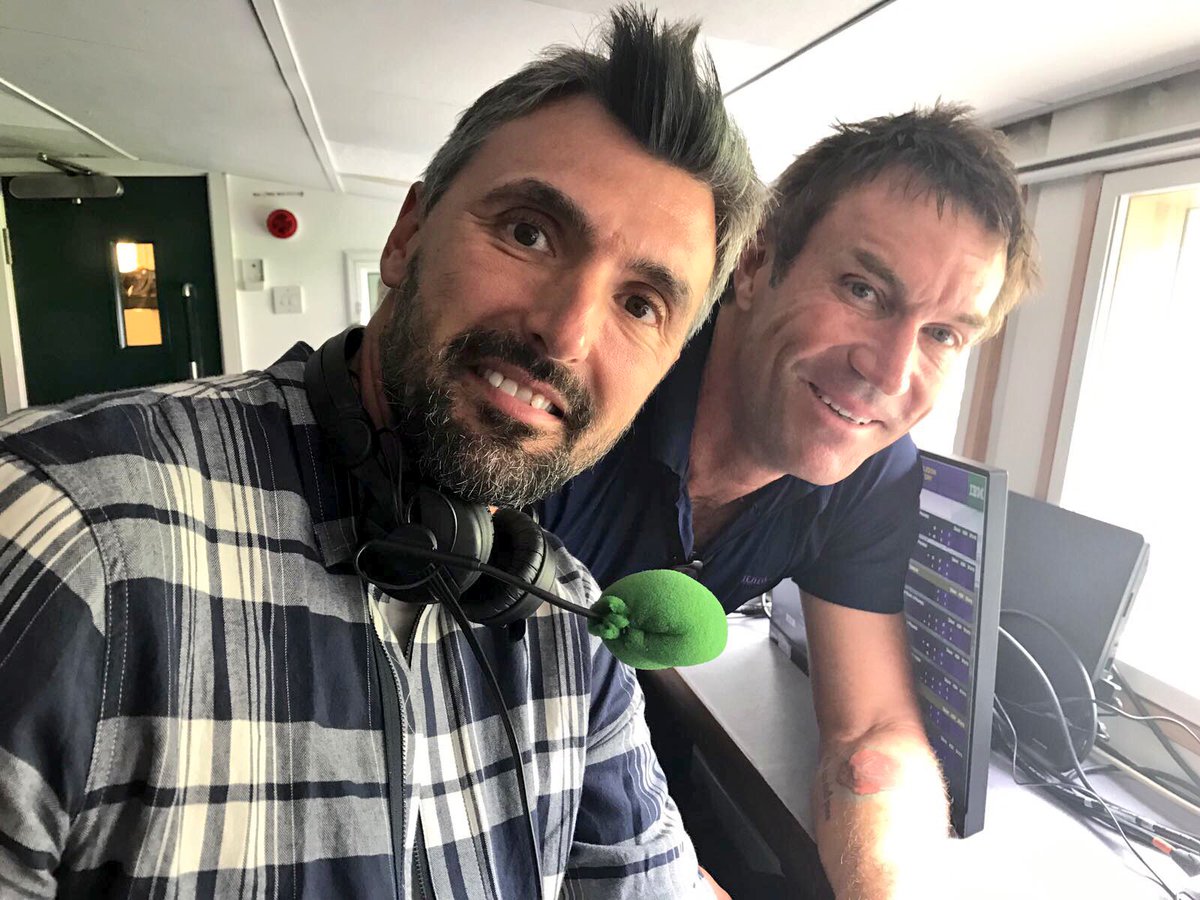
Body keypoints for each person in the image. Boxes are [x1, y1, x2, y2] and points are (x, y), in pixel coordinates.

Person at [0, 8, 764, 898]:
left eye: (640, 305)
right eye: (529, 232)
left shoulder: (568, 626)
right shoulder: (64, 530)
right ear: (406, 236)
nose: (566, 333)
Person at [540, 104, 1037, 899]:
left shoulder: (872, 473)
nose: (889, 373)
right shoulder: (591, 388)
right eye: (864, 290)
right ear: (755, 260)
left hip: (644, 761)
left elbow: (873, 734)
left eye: (944, 334)